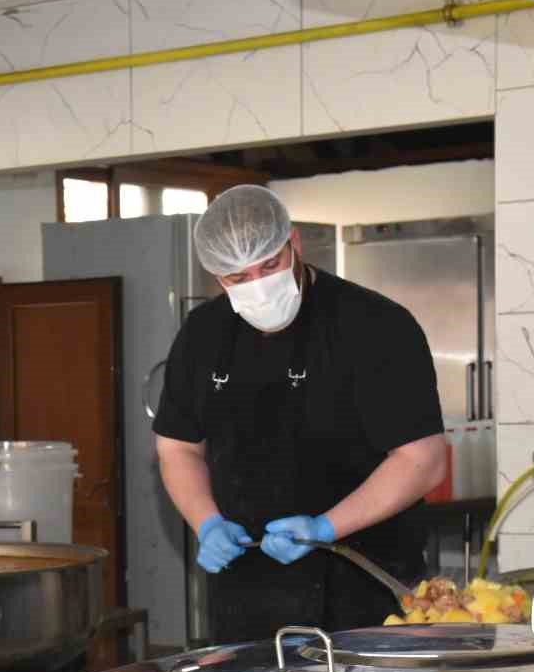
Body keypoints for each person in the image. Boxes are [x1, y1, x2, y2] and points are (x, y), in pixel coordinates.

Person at [153, 185, 446, 642]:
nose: (258, 286)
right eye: (237, 277)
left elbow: (422, 461)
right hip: (245, 600)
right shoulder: (203, 334)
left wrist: (325, 528)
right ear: (216, 277)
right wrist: (205, 521)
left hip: (366, 592)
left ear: (294, 242)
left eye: (270, 265)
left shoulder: (374, 324)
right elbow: (177, 449)